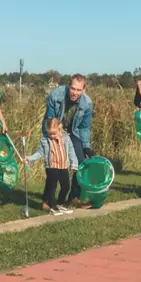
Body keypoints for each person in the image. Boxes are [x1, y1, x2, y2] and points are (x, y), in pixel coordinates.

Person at [42, 74, 94, 208]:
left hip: (73, 132)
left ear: (83, 90)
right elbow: (49, 120)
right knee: (53, 165)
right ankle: (46, 200)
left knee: (81, 162)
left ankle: (74, 197)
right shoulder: (56, 95)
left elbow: (84, 127)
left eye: (78, 90)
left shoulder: (87, 103)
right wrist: (50, 140)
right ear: (68, 86)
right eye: (72, 88)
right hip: (55, 131)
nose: (74, 93)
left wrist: (86, 146)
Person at [25, 118, 79, 216]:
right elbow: (40, 153)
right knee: (52, 187)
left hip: (63, 166)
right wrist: (30, 158)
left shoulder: (66, 138)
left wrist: (74, 164)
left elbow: (71, 152)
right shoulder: (45, 140)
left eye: (54, 133)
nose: (52, 136)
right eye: (50, 134)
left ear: (60, 129)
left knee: (66, 186)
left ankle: (60, 204)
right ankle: (52, 206)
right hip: (52, 166)